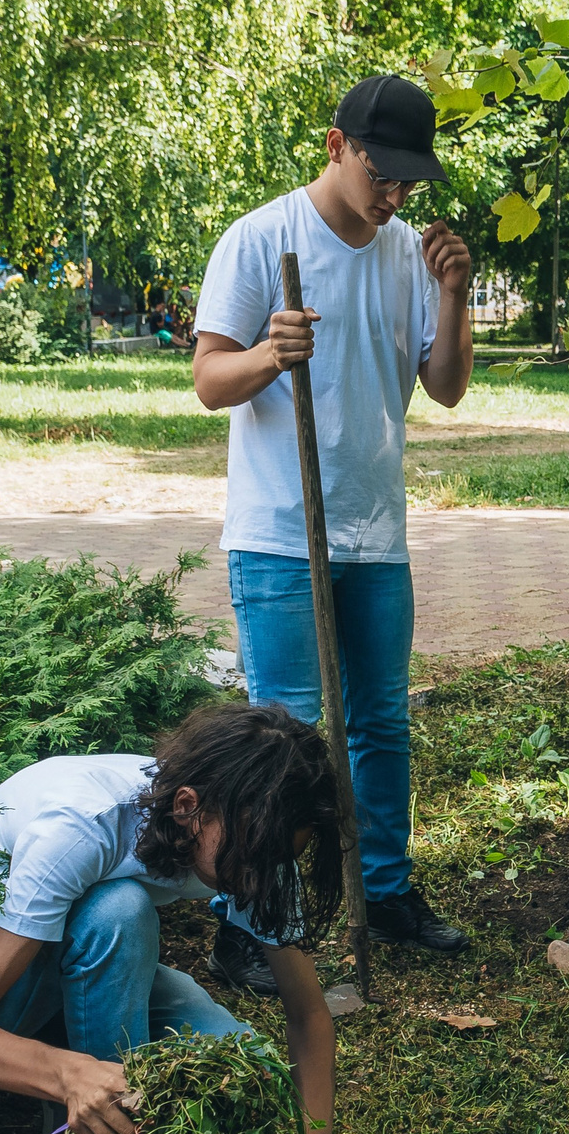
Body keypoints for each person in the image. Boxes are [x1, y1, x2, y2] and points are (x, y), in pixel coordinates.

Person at [191, 75, 475, 993]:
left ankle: (383, 892)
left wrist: (456, 295)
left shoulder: (407, 258)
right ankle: (249, 925)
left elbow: (445, 386)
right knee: (283, 731)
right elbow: (208, 379)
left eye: (409, 181)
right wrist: (271, 353)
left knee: (380, 722)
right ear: (336, 145)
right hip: (279, 530)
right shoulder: (261, 239)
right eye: (381, 172)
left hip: (374, 531)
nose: (395, 194)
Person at [0, 702, 388, 1134]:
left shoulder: (255, 841)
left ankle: (104, 1097)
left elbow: (309, 1016)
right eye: (252, 857)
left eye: (280, 860)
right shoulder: (80, 829)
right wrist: (68, 1074)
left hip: (63, 951)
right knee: (120, 909)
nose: (261, 880)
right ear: (187, 807)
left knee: (250, 1073)